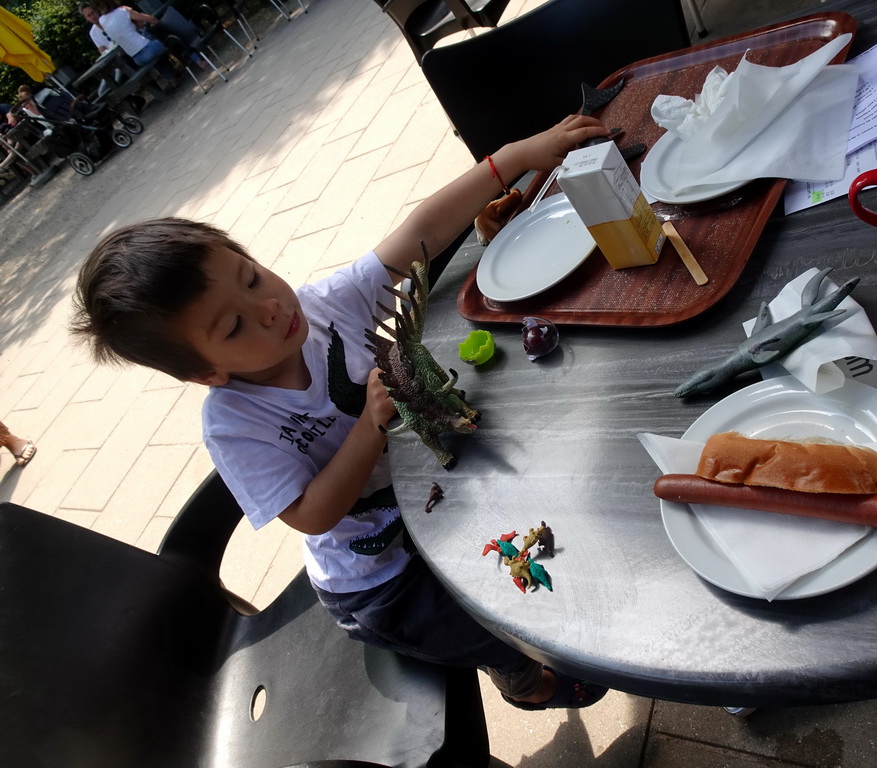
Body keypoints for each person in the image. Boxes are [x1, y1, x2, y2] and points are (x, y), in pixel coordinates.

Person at [71, 116, 615, 710]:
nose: (271, 308)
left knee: (532, 544)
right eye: (233, 325)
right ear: (206, 372)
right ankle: (520, 678)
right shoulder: (233, 424)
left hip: (430, 505)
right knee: (493, 631)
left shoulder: (322, 309)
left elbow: (418, 235)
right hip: (383, 582)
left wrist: (510, 156)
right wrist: (368, 427)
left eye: (252, 278)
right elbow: (310, 515)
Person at [93, 0, 176, 83]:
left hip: (138, 59)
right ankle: (185, 56)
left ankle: (171, 78)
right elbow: (151, 19)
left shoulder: (102, 21)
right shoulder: (122, 11)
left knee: (150, 46)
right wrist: (163, 26)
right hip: (150, 49)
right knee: (157, 38)